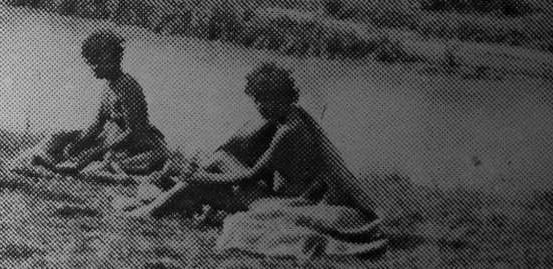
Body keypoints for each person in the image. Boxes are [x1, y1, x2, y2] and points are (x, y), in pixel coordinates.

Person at [116, 63, 385, 257]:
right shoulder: (292, 118)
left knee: (200, 183)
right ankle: (158, 204)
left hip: (274, 201)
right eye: (257, 100)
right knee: (215, 162)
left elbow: (250, 176)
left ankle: (151, 210)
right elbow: (259, 165)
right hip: (276, 193)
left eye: (264, 101)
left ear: (282, 98)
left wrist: (200, 176)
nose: (259, 107)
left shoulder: (289, 131)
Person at [11, 29, 168, 181]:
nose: (93, 68)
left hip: (134, 146)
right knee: (58, 137)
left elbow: (134, 132)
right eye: (91, 63)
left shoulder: (128, 86)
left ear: (113, 60)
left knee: (106, 162)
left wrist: (96, 151)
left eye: (97, 63)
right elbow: (97, 123)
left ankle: (63, 167)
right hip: (109, 139)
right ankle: (42, 159)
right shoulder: (109, 85)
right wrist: (77, 142)